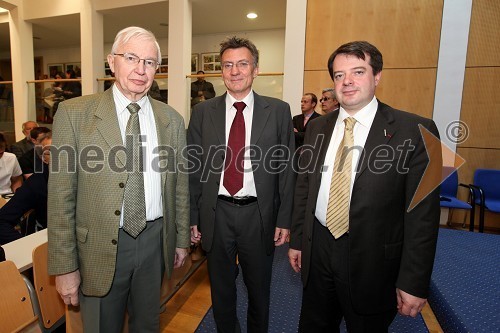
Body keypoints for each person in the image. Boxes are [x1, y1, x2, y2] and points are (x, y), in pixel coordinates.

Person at [288, 41, 441, 332]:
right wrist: (298, 240)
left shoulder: (416, 131)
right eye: (338, 75)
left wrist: (413, 281)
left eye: (358, 71)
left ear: (377, 75)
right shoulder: (318, 128)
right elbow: (305, 189)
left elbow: (423, 217)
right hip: (318, 250)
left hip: (374, 262)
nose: (347, 82)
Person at [48, 26, 190, 333]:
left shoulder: (172, 120)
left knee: (148, 326)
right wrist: (65, 267)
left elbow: (179, 188)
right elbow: (61, 197)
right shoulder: (74, 114)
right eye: (131, 58)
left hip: (155, 242)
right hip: (97, 248)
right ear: (112, 62)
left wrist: (180, 241)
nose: (141, 69)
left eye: (150, 62)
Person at [187, 36, 295, 332]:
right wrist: (193, 218)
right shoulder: (202, 112)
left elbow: (286, 169)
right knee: (221, 291)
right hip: (216, 213)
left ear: (256, 69)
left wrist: (284, 218)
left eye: (242, 64)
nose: (235, 71)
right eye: (228, 65)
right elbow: (192, 169)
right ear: (220, 71)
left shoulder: (279, 111)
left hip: (258, 215)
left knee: (259, 290)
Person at [0, 133, 51, 245]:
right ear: (43, 159)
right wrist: (26, 245)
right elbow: (2, 222)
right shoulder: (37, 183)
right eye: (50, 151)